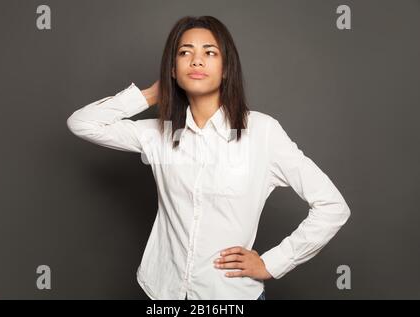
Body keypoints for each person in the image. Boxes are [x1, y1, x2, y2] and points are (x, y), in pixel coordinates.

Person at [66, 15, 351, 300]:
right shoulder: (160, 134)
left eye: (210, 52)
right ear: (173, 70)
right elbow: (82, 123)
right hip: (161, 293)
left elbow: (332, 206)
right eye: (185, 52)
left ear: (226, 69)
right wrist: (153, 93)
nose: (196, 61)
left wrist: (272, 263)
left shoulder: (263, 133)